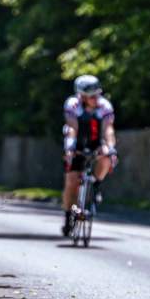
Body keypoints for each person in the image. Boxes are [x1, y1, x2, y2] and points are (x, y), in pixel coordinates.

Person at [61, 75, 118, 236]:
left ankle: (96, 185)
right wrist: (70, 148)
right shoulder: (73, 105)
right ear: (82, 96)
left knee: (107, 156)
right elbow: (72, 127)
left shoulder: (104, 106)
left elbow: (108, 129)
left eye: (97, 94)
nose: (96, 98)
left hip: (96, 142)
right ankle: (67, 216)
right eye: (92, 96)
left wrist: (111, 147)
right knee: (71, 181)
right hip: (77, 142)